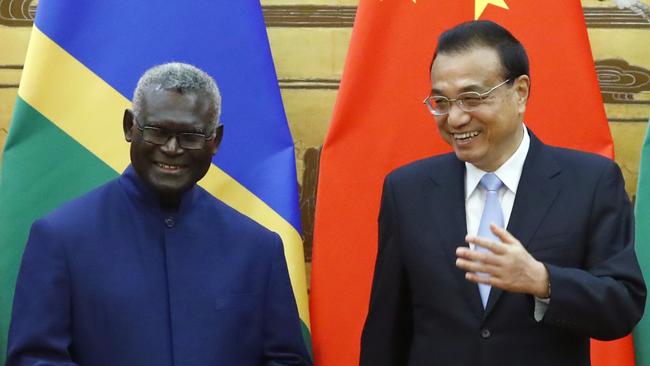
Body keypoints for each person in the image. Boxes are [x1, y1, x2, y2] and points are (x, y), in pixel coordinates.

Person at [360, 20, 646, 366]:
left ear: (520, 92)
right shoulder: (406, 190)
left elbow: (622, 305)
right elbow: (386, 329)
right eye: (441, 101)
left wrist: (543, 281)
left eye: (471, 98)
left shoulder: (590, 182)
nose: (455, 118)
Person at [6, 63, 312, 366]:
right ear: (129, 127)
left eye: (190, 135)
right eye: (157, 131)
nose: (171, 148)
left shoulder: (258, 248)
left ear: (215, 140)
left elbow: (285, 360)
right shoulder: (61, 238)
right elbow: (34, 358)